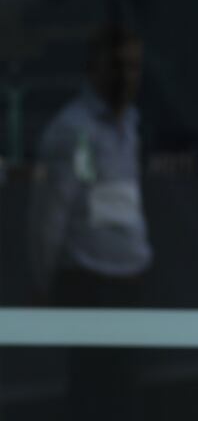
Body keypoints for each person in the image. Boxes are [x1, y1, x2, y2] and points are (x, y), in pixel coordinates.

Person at [29, 23, 152, 307]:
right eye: (116, 65)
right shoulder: (73, 129)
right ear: (94, 68)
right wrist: (42, 283)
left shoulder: (131, 122)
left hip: (132, 276)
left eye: (134, 66)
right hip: (90, 281)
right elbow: (49, 217)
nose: (126, 76)